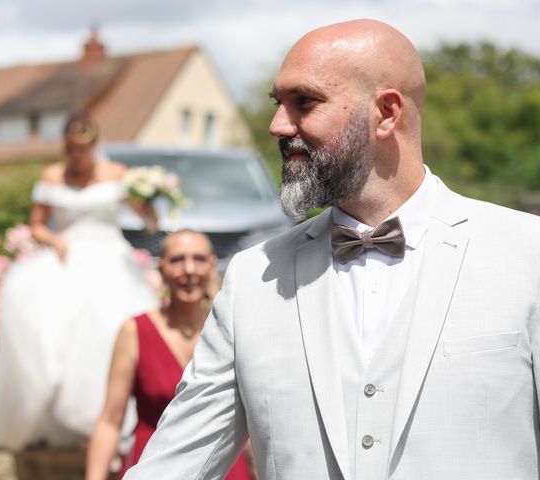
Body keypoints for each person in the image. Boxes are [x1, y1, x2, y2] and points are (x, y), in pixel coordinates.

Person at [123, 19, 540, 480]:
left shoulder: (527, 255)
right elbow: (176, 463)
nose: (278, 126)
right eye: (278, 104)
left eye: (305, 102)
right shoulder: (252, 278)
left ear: (386, 112)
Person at [0, 112, 159, 449]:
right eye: (71, 148)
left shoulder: (116, 174)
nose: (76, 155)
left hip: (111, 260)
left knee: (109, 327)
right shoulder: (52, 176)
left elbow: (144, 216)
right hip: (67, 255)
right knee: (49, 327)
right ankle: (57, 416)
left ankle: (111, 418)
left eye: (82, 148)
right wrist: (55, 240)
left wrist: (153, 202)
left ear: (94, 146)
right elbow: (38, 224)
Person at [86, 230, 253, 480]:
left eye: (198, 259)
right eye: (177, 260)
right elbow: (110, 420)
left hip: (226, 469)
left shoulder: (233, 330)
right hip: (155, 467)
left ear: (211, 266)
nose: (189, 269)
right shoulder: (135, 331)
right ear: (161, 268)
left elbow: (251, 416)